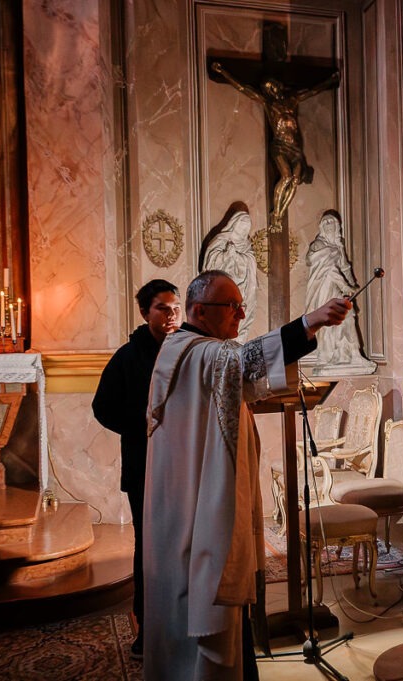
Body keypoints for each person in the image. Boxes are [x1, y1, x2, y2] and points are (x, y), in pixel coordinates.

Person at [143, 270, 350, 681]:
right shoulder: (195, 353)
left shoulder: (194, 353)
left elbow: (247, 376)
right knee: (202, 607)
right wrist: (311, 321)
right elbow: (244, 360)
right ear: (199, 311)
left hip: (188, 502)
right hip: (193, 513)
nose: (240, 314)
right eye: (231, 307)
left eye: (241, 306)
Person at [91, 278, 181, 660]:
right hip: (144, 468)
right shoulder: (127, 357)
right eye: (163, 308)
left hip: (182, 468)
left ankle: (180, 623)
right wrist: (144, 425)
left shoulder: (186, 350)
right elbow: (102, 407)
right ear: (145, 313)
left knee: (182, 548)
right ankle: (147, 629)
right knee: (150, 550)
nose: (172, 314)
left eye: (176, 307)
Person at [210, 61, 340, 231]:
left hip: (295, 149)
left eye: (272, 86)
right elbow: (244, 88)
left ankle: (282, 209)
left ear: (278, 86)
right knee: (286, 176)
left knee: (294, 180)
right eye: (267, 88)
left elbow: (312, 91)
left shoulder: (292, 100)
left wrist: (330, 81)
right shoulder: (268, 103)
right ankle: (276, 214)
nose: (271, 90)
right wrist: (224, 72)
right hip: (279, 146)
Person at [304, 210, 377, 375]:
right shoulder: (318, 245)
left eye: (333, 222)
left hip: (337, 287)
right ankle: (325, 356)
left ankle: (354, 354)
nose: (329, 226)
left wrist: (351, 284)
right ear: (321, 226)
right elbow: (329, 269)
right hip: (323, 289)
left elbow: (344, 267)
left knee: (347, 317)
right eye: (326, 222)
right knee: (328, 320)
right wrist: (345, 286)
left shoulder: (337, 245)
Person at [200, 202, 259, 341]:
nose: (243, 231)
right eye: (241, 227)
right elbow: (210, 266)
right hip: (223, 295)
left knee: (240, 324)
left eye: (246, 228)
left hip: (243, 292)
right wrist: (228, 255)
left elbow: (250, 263)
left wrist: (238, 257)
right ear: (234, 225)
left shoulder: (247, 246)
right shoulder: (220, 241)